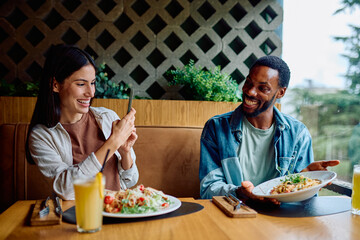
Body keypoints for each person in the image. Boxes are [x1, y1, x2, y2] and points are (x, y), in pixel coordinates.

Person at [199, 55, 340, 203]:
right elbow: (208, 190)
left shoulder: (298, 134)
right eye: (248, 83)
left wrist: (305, 182)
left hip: (281, 220)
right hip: (236, 214)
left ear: (281, 93)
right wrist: (240, 192)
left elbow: (305, 202)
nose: (250, 92)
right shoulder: (217, 128)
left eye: (263, 88)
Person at [27, 44, 139, 200]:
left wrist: (125, 151)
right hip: (78, 216)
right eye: (81, 84)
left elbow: (130, 180)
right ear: (55, 85)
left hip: (119, 210)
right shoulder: (41, 136)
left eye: (92, 83)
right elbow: (66, 190)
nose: (91, 92)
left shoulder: (107, 117)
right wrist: (113, 143)